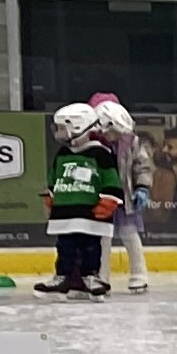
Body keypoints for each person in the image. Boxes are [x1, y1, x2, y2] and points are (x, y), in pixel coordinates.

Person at [38, 102, 122, 296]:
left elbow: (111, 179)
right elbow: (54, 177)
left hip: (89, 214)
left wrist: (109, 201)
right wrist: (51, 196)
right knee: (64, 247)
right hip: (65, 213)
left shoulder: (100, 153)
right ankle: (62, 276)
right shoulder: (63, 153)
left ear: (77, 126)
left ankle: (90, 276)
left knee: (90, 247)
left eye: (61, 128)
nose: (58, 133)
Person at [85, 94, 154, 290]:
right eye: (112, 132)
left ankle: (139, 274)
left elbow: (143, 165)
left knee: (130, 234)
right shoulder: (91, 144)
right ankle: (102, 276)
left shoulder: (131, 141)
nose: (115, 136)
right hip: (101, 199)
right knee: (102, 239)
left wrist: (142, 187)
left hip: (125, 198)